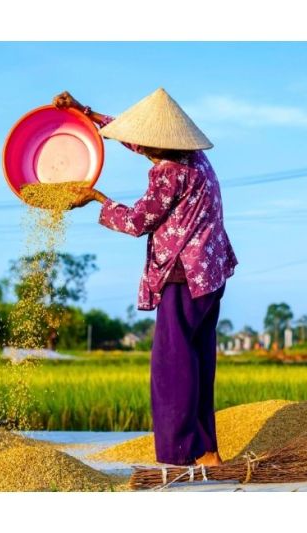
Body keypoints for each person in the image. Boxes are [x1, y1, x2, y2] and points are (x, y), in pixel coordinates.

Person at [57, 88, 237, 468]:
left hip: (182, 276)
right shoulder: (195, 158)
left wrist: (97, 199)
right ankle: (207, 451)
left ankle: (181, 454)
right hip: (210, 274)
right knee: (198, 361)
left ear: (159, 143)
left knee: (172, 366)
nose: (140, 147)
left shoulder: (168, 173)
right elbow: (138, 142)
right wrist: (87, 113)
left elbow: (137, 221)